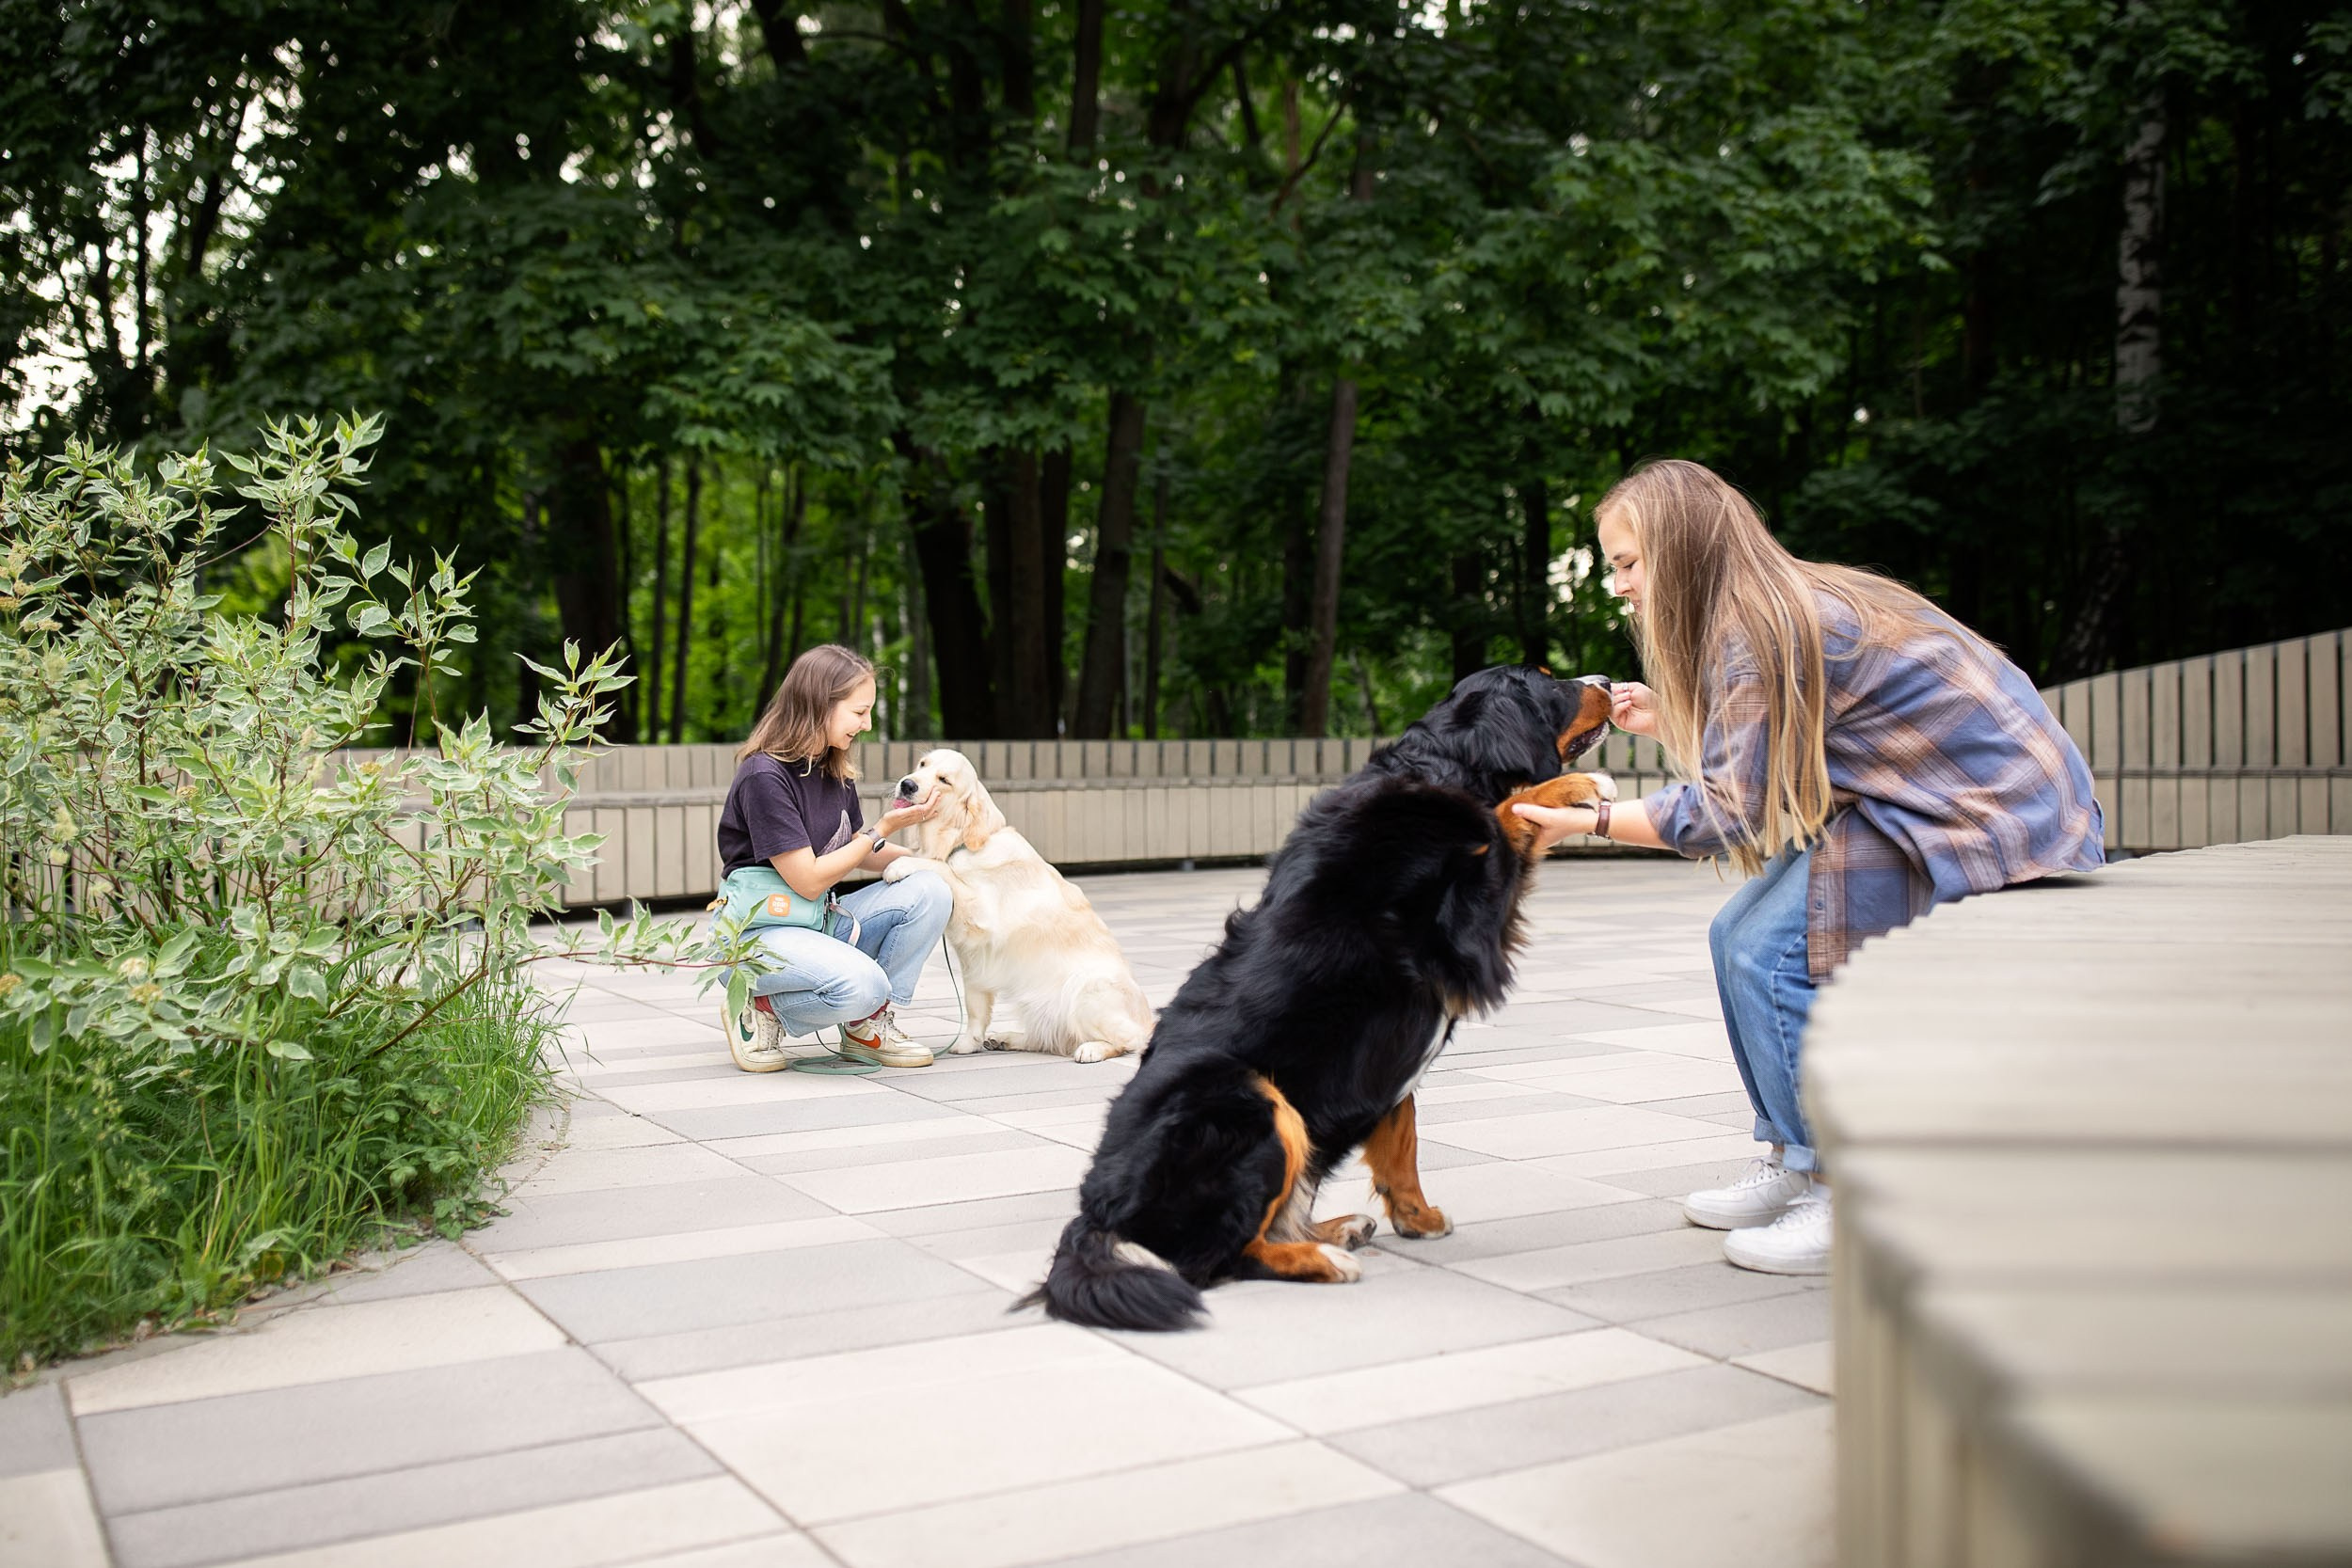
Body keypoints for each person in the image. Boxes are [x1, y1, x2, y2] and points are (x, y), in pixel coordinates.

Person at [1514, 459, 2105, 1275]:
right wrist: (1672, 717)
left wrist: (1592, 818)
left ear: (1679, 551)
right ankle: (1798, 1158)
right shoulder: (1767, 603)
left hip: (1991, 813)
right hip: (1935, 795)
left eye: (1626, 563)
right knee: (1734, 933)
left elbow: (1726, 812)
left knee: (1776, 953)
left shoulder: (1753, 630)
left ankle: (1842, 1191)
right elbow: (1768, 760)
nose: (1618, 585)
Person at [717, 644, 951, 1070]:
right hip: (762, 931)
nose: (868, 723)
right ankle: (759, 1006)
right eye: (859, 712)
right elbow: (807, 880)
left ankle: (866, 1028)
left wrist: (938, 858)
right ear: (818, 704)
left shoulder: (830, 767)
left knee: (931, 888)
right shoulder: (764, 776)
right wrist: (883, 828)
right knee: (864, 984)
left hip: (818, 921)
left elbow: (860, 853)